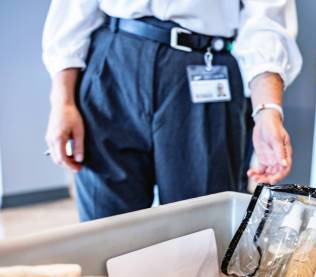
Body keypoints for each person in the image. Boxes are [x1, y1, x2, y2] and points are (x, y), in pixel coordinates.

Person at [42, 0, 302, 221]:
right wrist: (62, 101)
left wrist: (267, 109)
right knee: (104, 232)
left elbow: (266, 18)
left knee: (200, 231)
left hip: (205, 66)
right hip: (114, 61)